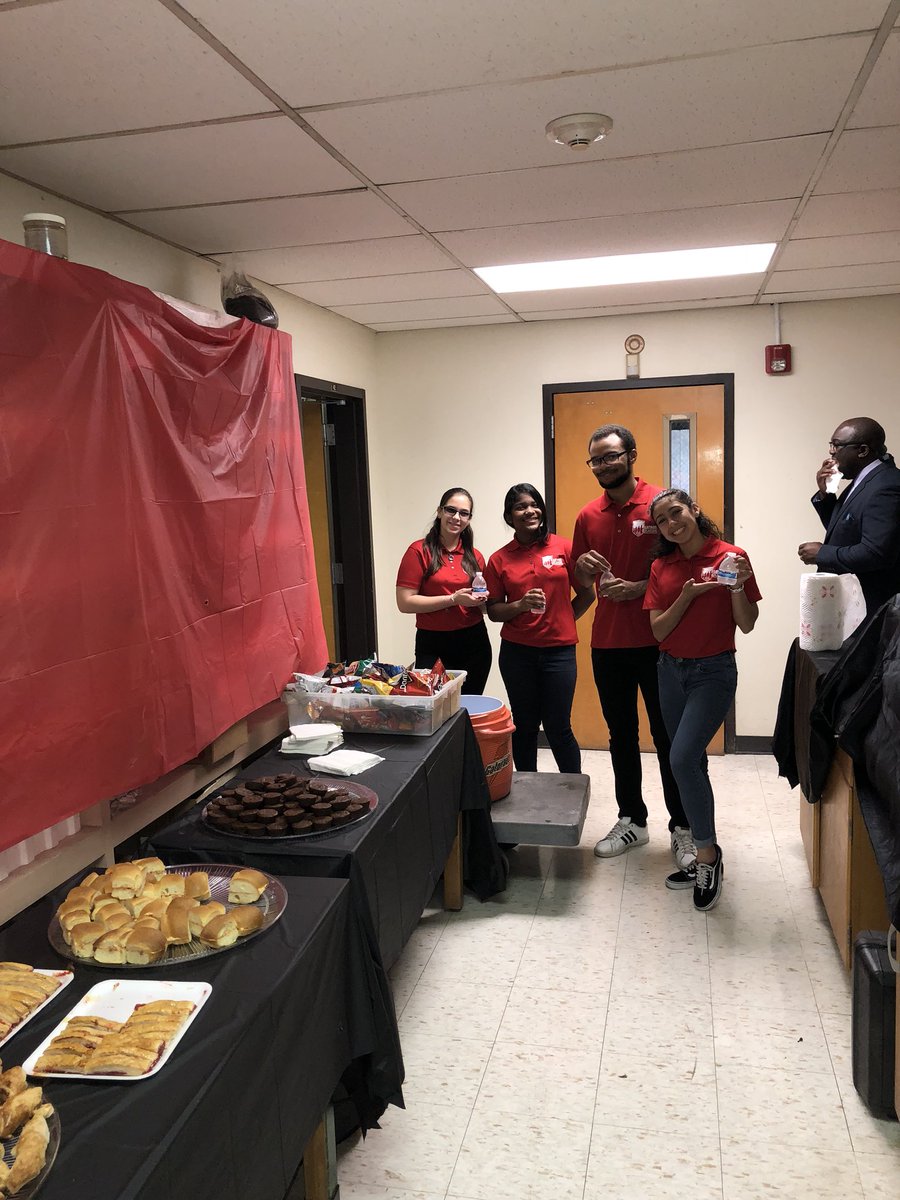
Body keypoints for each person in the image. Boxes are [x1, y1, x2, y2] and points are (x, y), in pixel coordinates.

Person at [573, 425, 695, 870]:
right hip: (608, 643)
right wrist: (582, 566)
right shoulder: (588, 515)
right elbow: (580, 580)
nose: (603, 465)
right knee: (620, 735)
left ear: (631, 454)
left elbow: (685, 568)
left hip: (660, 643)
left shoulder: (661, 505)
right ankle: (632, 820)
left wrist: (640, 588)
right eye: (596, 459)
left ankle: (683, 826)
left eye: (611, 455)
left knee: (668, 737)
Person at [645, 488, 761, 911]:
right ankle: (702, 847)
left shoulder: (731, 556)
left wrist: (737, 586)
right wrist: (687, 595)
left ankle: (707, 855)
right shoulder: (661, 566)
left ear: (694, 510)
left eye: (676, 512)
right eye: (662, 520)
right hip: (669, 672)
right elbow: (658, 630)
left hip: (713, 673)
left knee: (681, 759)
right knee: (690, 761)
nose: (671, 524)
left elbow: (746, 623)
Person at [484, 484, 594, 773]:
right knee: (525, 725)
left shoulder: (564, 548)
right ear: (509, 516)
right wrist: (520, 605)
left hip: (559, 653)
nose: (529, 511)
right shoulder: (499, 559)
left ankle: (572, 789)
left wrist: (564, 618)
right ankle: (526, 789)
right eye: (520, 507)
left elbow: (587, 594)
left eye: (534, 504)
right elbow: (493, 611)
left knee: (559, 726)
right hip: (517, 654)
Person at [798, 417, 900, 617]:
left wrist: (822, 553)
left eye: (837, 445)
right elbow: (846, 532)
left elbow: (876, 553)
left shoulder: (886, 486)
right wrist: (826, 495)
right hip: (853, 606)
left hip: (872, 610)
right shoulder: (865, 480)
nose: (831, 452)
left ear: (862, 450)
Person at [396, 487, 492, 694]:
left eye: (464, 513)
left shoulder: (474, 556)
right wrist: (453, 599)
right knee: (434, 705)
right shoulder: (419, 551)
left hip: (474, 642)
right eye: (451, 510)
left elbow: (482, 607)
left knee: (469, 705)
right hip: (432, 642)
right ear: (439, 512)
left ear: (469, 519)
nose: (456, 517)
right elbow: (404, 603)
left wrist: (483, 601)